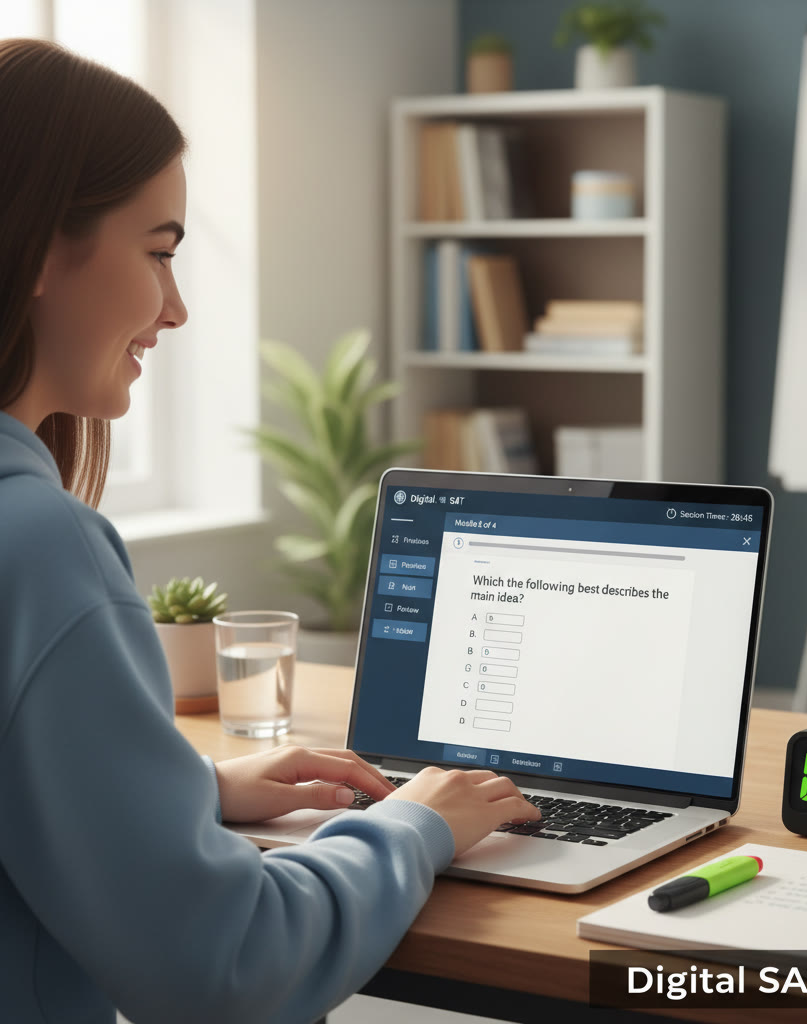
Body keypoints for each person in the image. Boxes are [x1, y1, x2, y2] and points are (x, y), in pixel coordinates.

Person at [0, 37, 540, 1024]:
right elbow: (226, 968)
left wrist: (188, 791)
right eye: (158, 251)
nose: (176, 306)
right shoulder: (40, 548)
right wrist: (417, 823)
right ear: (38, 247)